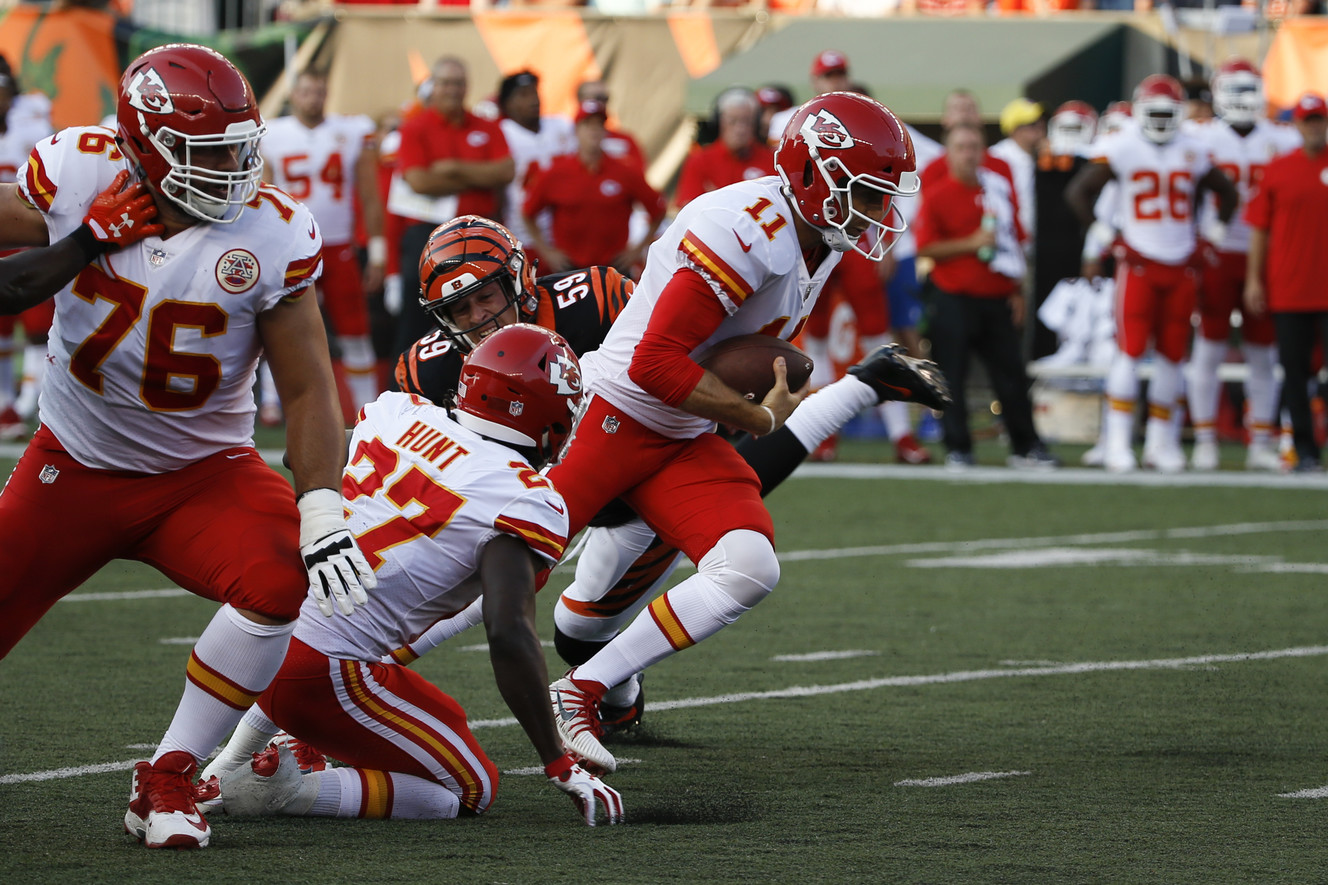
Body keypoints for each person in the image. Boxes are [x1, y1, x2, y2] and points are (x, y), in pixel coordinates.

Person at [0, 43, 375, 850]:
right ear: (139, 143)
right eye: (206, 154)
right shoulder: (78, 172)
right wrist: (81, 241)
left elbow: (309, 386)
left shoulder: (272, 229)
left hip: (201, 475)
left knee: (281, 570)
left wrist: (320, 503)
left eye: (240, 148)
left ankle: (170, 773)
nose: (233, 170)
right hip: (71, 467)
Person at [384, 215, 947, 739]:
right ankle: (615, 694)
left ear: (521, 279)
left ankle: (865, 384)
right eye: (461, 310)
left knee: (583, 621)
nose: (480, 317)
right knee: (522, 598)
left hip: (636, 475)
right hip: (545, 488)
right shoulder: (428, 370)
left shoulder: (594, 300)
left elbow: (676, 363)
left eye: (487, 297)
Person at [539, 91, 921, 775]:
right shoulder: (745, 230)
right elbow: (656, 362)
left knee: (749, 565)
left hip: (681, 434)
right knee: (490, 572)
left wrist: (754, 410)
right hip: (617, 413)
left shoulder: (817, 237)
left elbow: (730, 384)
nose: (876, 212)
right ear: (814, 177)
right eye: (865, 193)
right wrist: (754, 415)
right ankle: (306, 696)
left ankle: (584, 691)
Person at [200, 324, 624, 826]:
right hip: (314, 673)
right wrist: (555, 758)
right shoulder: (524, 496)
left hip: (252, 629)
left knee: (442, 714)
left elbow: (302, 454)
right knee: (472, 788)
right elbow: (509, 631)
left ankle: (241, 760)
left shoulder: (400, 412)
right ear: (547, 417)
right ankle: (287, 792)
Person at [1066, 74, 1239, 474]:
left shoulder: (1193, 148)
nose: (1160, 122)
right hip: (1140, 264)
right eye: (1154, 113)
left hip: (1180, 265)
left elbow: (1228, 192)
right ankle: (1118, 442)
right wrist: (1108, 236)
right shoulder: (1122, 145)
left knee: (1172, 357)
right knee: (1130, 352)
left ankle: (1161, 444)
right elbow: (1077, 193)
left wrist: (1210, 237)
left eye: (1167, 114)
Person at [915, 122, 1057, 470]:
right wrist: (971, 243)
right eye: (961, 147)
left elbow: (1016, 241)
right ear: (949, 153)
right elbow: (926, 247)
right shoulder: (938, 194)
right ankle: (958, 447)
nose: (968, 154)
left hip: (996, 296)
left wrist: (1017, 290)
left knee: (1010, 375)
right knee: (951, 376)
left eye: (974, 147)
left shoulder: (997, 188)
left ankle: (1026, 445)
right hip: (954, 296)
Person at [1186, 60, 1301, 471]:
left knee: (1263, 352)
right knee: (1210, 346)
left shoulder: (1284, 138)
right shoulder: (1199, 137)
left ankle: (1261, 441)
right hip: (1216, 255)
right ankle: (1204, 439)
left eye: (1248, 90)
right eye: (1233, 90)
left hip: (1266, 256)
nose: (1240, 100)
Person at [261, 68, 387, 416]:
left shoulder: (350, 131)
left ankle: (367, 407)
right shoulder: (273, 134)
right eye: (306, 91)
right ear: (293, 94)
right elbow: (264, 198)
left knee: (355, 330)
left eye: (319, 91)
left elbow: (370, 197)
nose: (313, 98)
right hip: (291, 247)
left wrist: (377, 254)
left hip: (338, 247)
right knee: (281, 325)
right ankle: (273, 400)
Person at [388, 55, 513, 357]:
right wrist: (478, 176)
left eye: (458, 83)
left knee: (486, 314)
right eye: (445, 83)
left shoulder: (487, 125)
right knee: (419, 322)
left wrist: (452, 168)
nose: (452, 90)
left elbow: (505, 172)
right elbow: (419, 182)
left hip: (480, 235)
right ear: (434, 86)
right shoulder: (415, 127)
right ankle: (406, 388)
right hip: (429, 236)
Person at [1243, 92, 1328, 473]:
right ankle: (1305, 449)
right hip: (1290, 287)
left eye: (1319, 120)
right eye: (1308, 120)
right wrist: (1253, 281)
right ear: (1297, 124)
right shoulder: (1278, 169)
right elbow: (1259, 229)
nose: (1314, 127)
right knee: (1293, 372)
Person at [520, 98, 666, 274]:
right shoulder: (556, 172)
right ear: (576, 131)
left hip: (612, 268)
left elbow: (658, 209)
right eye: (588, 124)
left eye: (599, 124)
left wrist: (636, 250)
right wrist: (547, 252)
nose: (594, 131)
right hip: (569, 269)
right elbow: (528, 212)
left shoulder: (624, 171)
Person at [0, 53, 52, 440]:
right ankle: (6, 403)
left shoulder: (32, 116)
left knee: (38, 325)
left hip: (29, 232)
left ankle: (32, 399)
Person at [495, 69, 575, 266]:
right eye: (523, 95)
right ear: (507, 103)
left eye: (534, 92)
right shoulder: (501, 133)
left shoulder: (562, 125)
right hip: (523, 237)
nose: (533, 99)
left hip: (568, 234)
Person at [674, 87, 775, 210]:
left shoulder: (772, 160)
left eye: (746, 121)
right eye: (733, 121)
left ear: (756, 124)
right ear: (719, 122)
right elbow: (688, 210)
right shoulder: (699, 161)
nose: (740, 129)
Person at [989, 97, 1044, 246]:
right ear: (1014, 129)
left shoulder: (1041, 156)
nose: (1040, 127)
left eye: (1041, 121)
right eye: (1032, 124)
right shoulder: (997, 156)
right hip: (1007, 242)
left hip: (1034, 244)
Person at [766, 49, 851, 143]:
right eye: (828, 76)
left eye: (840, 74)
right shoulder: (789, 119)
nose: (835, 81)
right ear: (814, 81)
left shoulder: (858, 116)